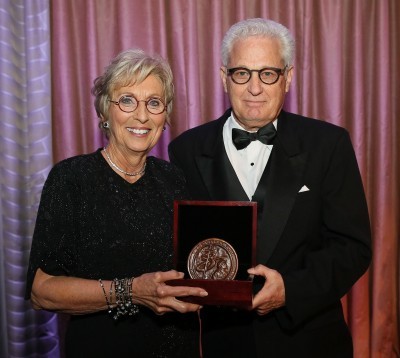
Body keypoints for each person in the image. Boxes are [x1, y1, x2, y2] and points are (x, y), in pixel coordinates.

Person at [168, 18, 372, 358]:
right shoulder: (185, 150)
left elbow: (353, 247)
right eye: (242, 73)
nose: (254, 87)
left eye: (268, 73)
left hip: (310, 341)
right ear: (224, 77)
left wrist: (290, 290)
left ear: (288, 77)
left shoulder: (328, 144)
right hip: (225, 344)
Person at [25, 48, 208, 357]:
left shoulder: (177, 180)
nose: (142, 115)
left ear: (165, 116)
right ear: (104, 113)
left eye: (154, 103)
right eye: (127, 100)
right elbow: (41, 291)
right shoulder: (71, 179)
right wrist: (132, 291)